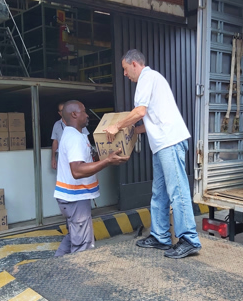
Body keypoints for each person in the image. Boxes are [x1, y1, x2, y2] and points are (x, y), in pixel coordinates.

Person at [104, 49, 202, 259]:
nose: (124, 74)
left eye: (125, 69)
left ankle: (189, 239)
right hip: (161, 144)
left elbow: (140, 112)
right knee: (160, 192)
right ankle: (160, 236)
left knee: (178, 190)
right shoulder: (153, 80)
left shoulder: (146, 78)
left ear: (134, 65)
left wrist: (117, 127)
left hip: (170, 142)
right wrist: (131, 131)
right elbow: (150, 120)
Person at [54, 100, 129, 257]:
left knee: (73, 236)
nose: (87, 115)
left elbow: (85, 161)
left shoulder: (76, 135)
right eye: (84, 111)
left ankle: (56, 266)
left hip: (72, 198)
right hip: (75, 199)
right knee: (82, 246)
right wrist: (107, 161)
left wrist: (103, 156)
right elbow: (77, 171)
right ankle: (78, 278)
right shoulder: (74, 138)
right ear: (74, 114)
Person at [51, 101, 90, 169]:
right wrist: (53, 158)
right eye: (62, 110)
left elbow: (86, 138)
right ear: (60, 113)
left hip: (81, 156)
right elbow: (55, 141)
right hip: (63, 156)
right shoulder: (57, 125)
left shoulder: (80, 124)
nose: (87, 115)